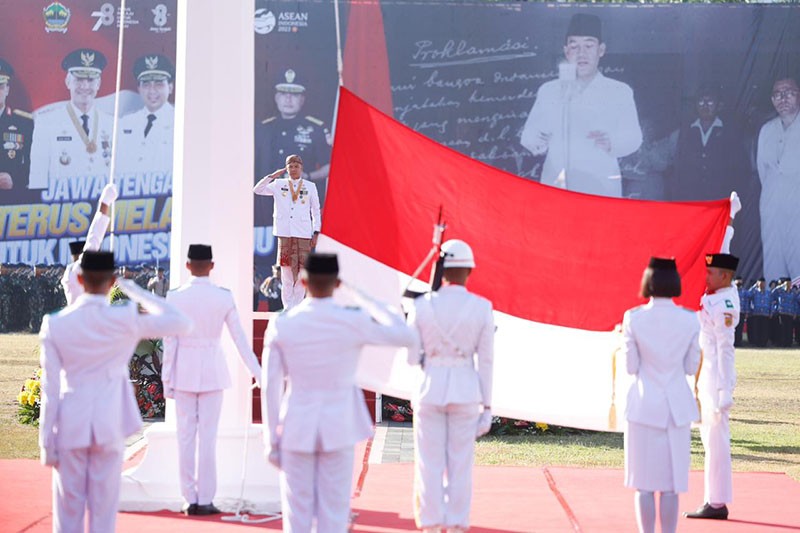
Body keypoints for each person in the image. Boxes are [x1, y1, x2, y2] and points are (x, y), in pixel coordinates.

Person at [261, 253, 418, 532]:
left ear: (303, 281)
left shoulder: (284, 323)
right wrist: (358, 294)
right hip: (340, 426)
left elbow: (271, 385)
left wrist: (271, 440)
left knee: (296, 515)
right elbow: (404, 334)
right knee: (334, 515)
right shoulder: (352, 319)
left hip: (298, 426)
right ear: (336, 283)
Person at [38, 251, 191, 532]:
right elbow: (180, 322)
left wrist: (46, 441)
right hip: (109, 422)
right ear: (112, 282)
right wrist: (135, 290)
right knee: (104, 511)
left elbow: (51, 387)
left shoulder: (56, 323)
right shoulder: (124, 319)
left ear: (80, 279)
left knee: (67, 511)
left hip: (71, 421)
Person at [160, 244, 262, 516]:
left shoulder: (175, 297)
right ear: (212, 266)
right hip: (213, 372)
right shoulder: (222, 297)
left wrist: (166, 379)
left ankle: (189, 499)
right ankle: (205, 499)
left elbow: (169, 343)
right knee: (208, 438)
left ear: (188, 265)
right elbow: (240, 339)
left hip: (183, 372)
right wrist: (258, 372)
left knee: (185, 437)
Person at [408, 239, 495, 533]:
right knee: (460, 464)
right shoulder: (482, 307)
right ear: (469, 269)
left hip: (430, 387)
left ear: (442, 269)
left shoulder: (421, 305)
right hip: (465, 390)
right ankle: (457, 524)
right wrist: (488, 406)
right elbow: (486, 361)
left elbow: (411, 358)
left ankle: (431, 524)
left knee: (428, 464)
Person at [520, 13, 642, 197]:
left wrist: (612, 143)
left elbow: (634, 137)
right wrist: (537, 140)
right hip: (557, 184)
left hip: (601, 186)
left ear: (601, 50)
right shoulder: (549, 90)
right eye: (574, 46)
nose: (581, 53)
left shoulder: (619, 91)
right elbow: (528, 135)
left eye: (589, 45)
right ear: (566, 51)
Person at [621, 257, 700, 533]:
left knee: (644, 484)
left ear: (648, 283)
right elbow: (691, 367)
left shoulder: (634, 318)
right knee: (671, 485)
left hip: (644, 407)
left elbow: (631, 368)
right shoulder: (691, 320)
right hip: (676, 409)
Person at [685, 251, 740, 520]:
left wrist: (725, 390)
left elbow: (726, 349)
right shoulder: (716, 297)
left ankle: (717, 502)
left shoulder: (725, 303)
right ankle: (713, 498)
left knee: (716, 442)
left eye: (710, 272)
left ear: (725, 276)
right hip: (706, 377)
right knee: (709, 440)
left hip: (716, 383)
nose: (705, 276)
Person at [254, 69, 331, 228]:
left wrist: (309, 175)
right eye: (283, 93)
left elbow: (330, 166)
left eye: (294, 94)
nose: (288, 99)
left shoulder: (315, 128)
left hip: (301, 207)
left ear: (302, 99)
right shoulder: (263, 128)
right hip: (266, 207)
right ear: (276, 98)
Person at [28, 49, 113, 190]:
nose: (85, 86)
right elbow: (38, 177)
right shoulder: (47, 123)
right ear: (68, 82)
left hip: (101, 206)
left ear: (98, 84)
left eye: (91, 80)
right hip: (61, 207)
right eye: (79, 79)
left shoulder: (112, 124)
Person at [254, 154, 321, 310]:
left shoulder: (310, 186)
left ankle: (296, 307)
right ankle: (287, 307)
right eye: (290, 166)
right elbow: (258, 190)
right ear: (286, 168)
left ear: (301, 168)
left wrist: (316, 231)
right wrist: (272, 176)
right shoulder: (279, 183)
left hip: (303, 234)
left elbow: (316, 211)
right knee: (286, 273)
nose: (293, 169)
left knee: (301, 273)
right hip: (285, 234)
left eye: (296, 166)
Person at [672, 85, 749, 202]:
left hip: (720, 202)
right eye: (701, 102)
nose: (705, 106)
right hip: (691, 202)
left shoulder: (730, 133)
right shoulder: (685, 132)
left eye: (710, 102)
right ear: (695, 106)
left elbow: (740, 171)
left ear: (719, 106)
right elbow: (678, 171)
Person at [757, 77, 800, 283]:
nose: (783, 98)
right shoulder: (766, 130)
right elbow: (763, 172)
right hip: (772, 207)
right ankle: (777, 313)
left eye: (789, 92)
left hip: (797, 206)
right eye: (777, 94)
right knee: (774, 262)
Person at [60, 182, 118, 305]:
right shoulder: (77, 272)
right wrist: (105, 203)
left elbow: (93, 240)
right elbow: (94, 236)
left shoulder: (69, 277)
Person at [117, 54, 175, 176]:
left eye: (159, 84)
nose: (152, 91)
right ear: (139, 88)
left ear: (170, 87)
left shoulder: (180, 122)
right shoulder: (126, 123)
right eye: (146, 84)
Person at [0, 58, 33, 190]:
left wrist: (15, 179)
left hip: (13, 199)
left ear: (7, 89)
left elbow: (34, 164)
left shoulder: (23, 124)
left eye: (0, 86)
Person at [747, 278, 770, 347]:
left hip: (765, 314)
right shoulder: (754, 292)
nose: (762, 285)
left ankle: (764, 343)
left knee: (764, 329)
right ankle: (757, 343)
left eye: (763, 283)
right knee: (757, 329)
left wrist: (770, 312)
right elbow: (748, 295)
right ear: (758, 284)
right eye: (760, 283)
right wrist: (754, 286)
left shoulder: (768, 293)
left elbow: (771, 303)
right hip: (756, 313)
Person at [734, 277, 748, 346]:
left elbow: (746, 302)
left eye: (740, 281)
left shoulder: (744, 291)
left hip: (741, 312)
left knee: (740, 327)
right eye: (737, 281)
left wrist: (746, 311)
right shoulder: (732, 291)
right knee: (733, 327)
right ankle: (733, 342)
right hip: (734, 312)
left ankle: (739, 342)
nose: (739, 282)